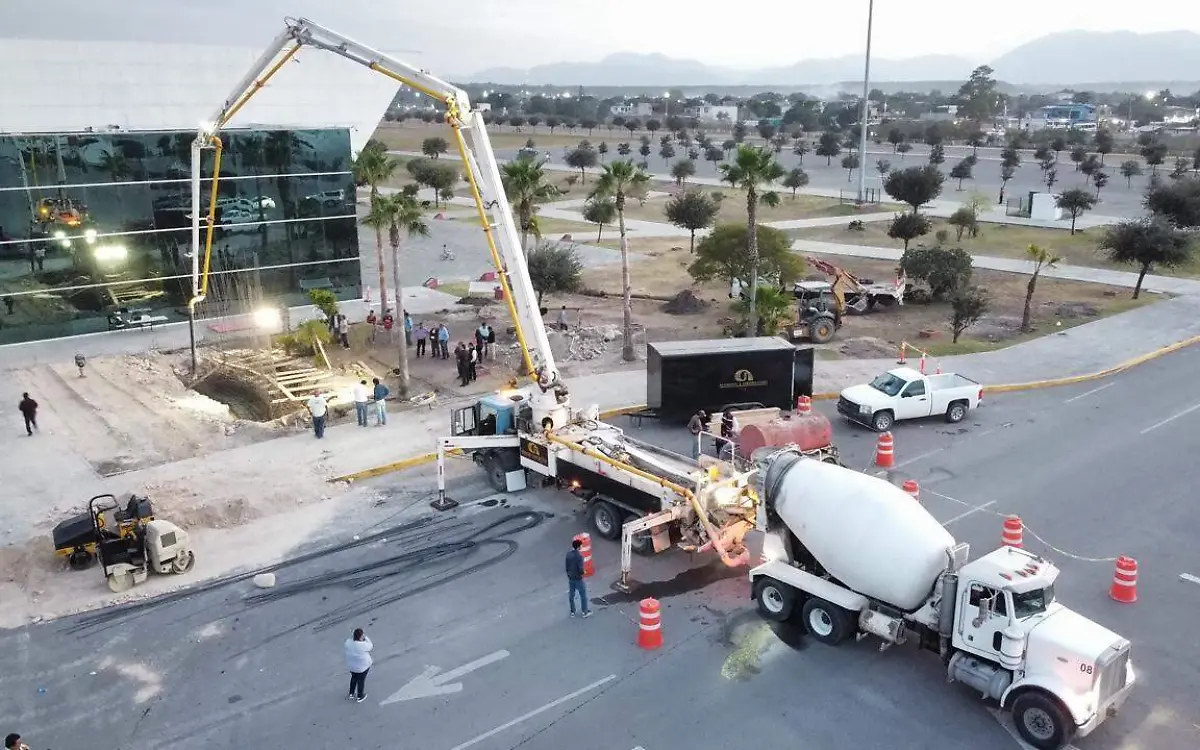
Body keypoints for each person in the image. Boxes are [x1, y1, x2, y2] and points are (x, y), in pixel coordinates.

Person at [343, 627, 373, 703]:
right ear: (360, 636)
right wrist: (366, 638)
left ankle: (351, 693)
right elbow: (370, 646)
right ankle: (360, 696)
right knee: (361, 681)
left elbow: (349, 642)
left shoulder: (348, 642)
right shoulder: (362, 645)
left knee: (354, 678)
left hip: (352, 666)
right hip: (362, 667)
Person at [566, 538, 591, 618]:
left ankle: (572, 611)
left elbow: (567, 567)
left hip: (571, 578)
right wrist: (584, 572)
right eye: (581, 546)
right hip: (578, 579)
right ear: (578, 547)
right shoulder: (579, 557)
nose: (581, 547)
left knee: (571, 595)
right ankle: (585, 611)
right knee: (583, 595)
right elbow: (580, 569)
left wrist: (569, 575)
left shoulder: (568, 554)